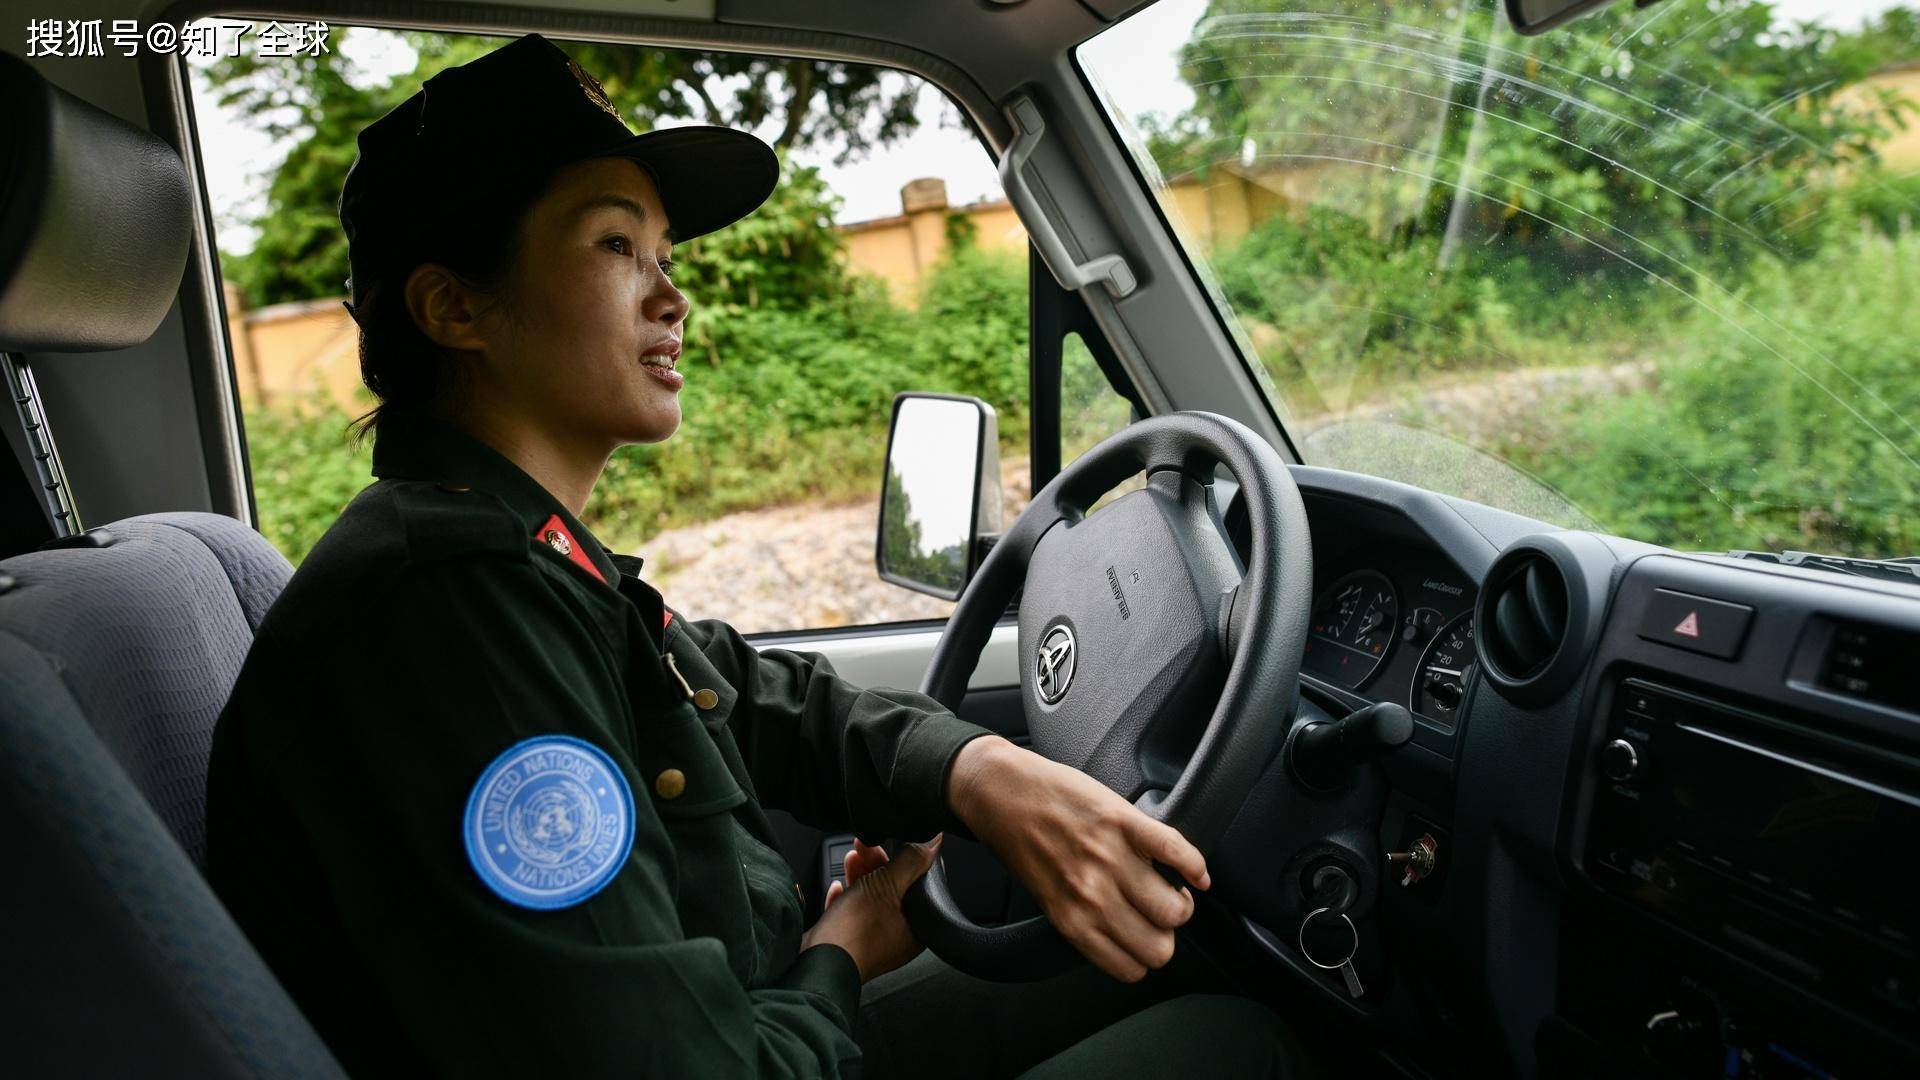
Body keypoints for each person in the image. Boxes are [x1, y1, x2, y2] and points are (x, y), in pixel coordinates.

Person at [207, 32, 1311, 1079]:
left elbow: (756, 695)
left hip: (749, 1018)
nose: (672, 295)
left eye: (663, 254)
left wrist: (980, 771)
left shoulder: (515, 556)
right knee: (1239, 1045)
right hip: (743, 1043)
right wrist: (845, 954)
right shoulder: (452, 615)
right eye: (613, 247)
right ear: (456, 306)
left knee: (1190, 954)